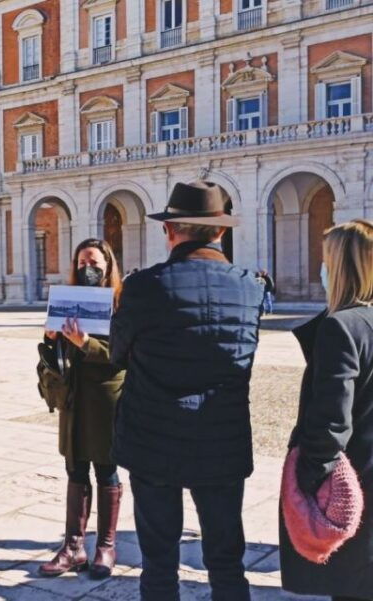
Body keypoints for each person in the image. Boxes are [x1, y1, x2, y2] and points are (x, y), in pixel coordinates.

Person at [110, 181, 264, 601]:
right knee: (226, 559)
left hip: (153, 437)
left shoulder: (142, 286)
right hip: (222, 437)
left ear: (171, 230)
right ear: (219, 231)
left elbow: (117, 355)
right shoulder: (252, 288)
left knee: (159, 561)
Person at [280, 219, 373, 601]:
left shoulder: (342, 327)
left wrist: (309, 477)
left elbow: (332, 419)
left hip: (354, 477)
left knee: (350, 586)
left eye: (326, 259)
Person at [37, 239, 125, 579]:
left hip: (106, 397)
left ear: (107, 264)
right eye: (81, 261)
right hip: (73, 396)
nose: (87, 267)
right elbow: (53, 355)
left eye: (94, 261)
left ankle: (106, 545)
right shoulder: (68, 298)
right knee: (75, 468)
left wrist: (85, 343)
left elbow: (123, 352)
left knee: (106, 469)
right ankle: (73, 546)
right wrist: (51, 337)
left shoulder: (121, 301)